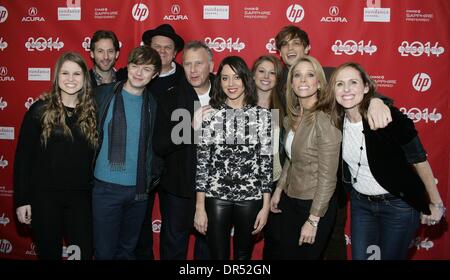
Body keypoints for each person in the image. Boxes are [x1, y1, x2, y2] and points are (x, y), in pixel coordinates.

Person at [274, 25, 394, 259]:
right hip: (295, 195)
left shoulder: (329, 76)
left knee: (332, 246)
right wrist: (280, 187)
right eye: (284, 44)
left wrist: (378, 101)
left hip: (329, 191)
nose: (291, 48)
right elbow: (292, 156)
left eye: (296, 43)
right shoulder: (289, 104)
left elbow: (359, 88)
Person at [329, 62, 445, 260]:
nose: (346, 89)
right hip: (361, 206)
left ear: (366, 87)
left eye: (353, 82)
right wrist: (377, 100)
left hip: (397, 207)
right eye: (339, 84)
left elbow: (419, 160)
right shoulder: (335, 121)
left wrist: (435, 203)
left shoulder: (387, 117)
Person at [14, 52, 98, 260]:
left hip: (80, 199)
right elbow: (23, 158)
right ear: (57, 76)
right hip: (45, 198)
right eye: (65, 73)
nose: (71, 79)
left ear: (85, 78)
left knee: (80, 255)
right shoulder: (39, 109)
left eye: (77, 73)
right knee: (49, 254)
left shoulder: (92, 110)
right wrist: (22, 200)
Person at [194, 56, 272, 260]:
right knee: (217, 256)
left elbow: (266, 164)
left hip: (251, 198)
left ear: (246, 79)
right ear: (219, 82)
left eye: (236, 77)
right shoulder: (210, 115)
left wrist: (265, 207)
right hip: (216, 196)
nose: (231, 84)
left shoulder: (263, 116)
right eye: (225, 78)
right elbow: (203, 164)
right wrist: (199, 207)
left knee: (243, 256)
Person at [92, 46, 161, 260]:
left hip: (138, 190)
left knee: (127, 252)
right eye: (135, 66)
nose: (139, 73)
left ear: (155, 74)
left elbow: (157, 146)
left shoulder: (153, 104)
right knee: (104, 252)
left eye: (146, 69)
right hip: (105, 188)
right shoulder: (103, 94)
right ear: (127, 67)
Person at [270, 55, 341, 259]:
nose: (303, 80)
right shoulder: (291, 118)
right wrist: (279, 190)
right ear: (291, 84)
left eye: (310, 75)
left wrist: (313, 220)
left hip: (315, 204)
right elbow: (291, 160)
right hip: (292, 200)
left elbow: (328, 178)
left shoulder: (324, 119)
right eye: (297, 75)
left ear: (318, 83)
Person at [153, 41, 213, 260]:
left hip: (213, 191)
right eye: (188, 64)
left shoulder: (226, 95)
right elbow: (158, 145)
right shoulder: (170, 97)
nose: (193, 70)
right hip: (178, 190)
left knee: (208, 249)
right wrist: (188, 129)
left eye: (199, 63)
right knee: (173, 248)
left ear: (211, 66)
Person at [134, 23, 186, 260]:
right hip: (140, 164)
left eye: (168, 47)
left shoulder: (189, 76)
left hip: (176, 165)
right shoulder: (132, 75)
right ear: (148, 48)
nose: (163, 51)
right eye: (157, 47)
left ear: (175, 52)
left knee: (174, 231)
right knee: (139, 225)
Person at [251, 55, 285, 260]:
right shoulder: (238, 105)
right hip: (245, 186)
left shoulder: (284, 110)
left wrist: (279, 188)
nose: (266, 76)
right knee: (244, 239)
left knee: (275, 241)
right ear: (252, 74)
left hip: (275, 184)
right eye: (261, 71)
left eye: (272, 72)